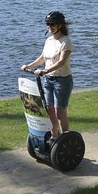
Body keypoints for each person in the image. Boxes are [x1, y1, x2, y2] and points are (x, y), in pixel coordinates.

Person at [21, 11, 73, 141]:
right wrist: (29, 66)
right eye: (48, 24)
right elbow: (42, 58)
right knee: (50, 111)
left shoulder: (66, 42)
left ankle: (67, 138)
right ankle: (55, 137)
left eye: (52, 24)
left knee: (60, 113)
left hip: (62, 81)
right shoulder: (49, 40)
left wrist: (45, 71)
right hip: (48, 81)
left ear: (60, 25)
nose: (50, 27)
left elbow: (61, 62)